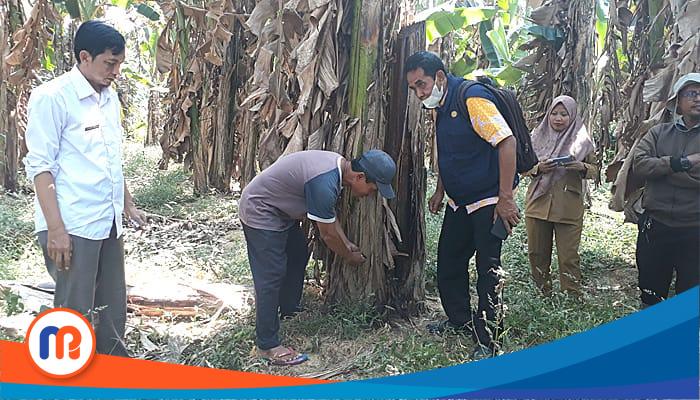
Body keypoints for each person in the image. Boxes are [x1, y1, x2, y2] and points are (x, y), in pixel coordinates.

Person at [23, 20, 146, 356]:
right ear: (84, 57)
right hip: (73, 223)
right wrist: (56, 230)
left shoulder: (108, 98)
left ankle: (112, 373)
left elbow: (108, 158)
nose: (116, 72)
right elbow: (40, 167)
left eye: (120, 64)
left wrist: (127, 202)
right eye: (110, 63)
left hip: (107, 220)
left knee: (112, 308)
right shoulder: (52, 97)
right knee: (73, 309)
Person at [405, 51, 519, 357]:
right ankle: (459, 320)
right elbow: (447, 151)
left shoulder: (472, 99)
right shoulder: (441, 105)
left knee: (488, 270)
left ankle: (489, 339)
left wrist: (506, 199)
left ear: (439, 77)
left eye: (422, 84)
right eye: (414, 88)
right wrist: (441, 190)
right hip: (459, 202)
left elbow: (507, 142)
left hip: (488, 201)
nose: (419, 93)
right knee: (449, 262)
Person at [238, 149, 396, 366]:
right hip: (261, 209)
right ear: (360, 177)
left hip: (281, 212)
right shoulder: (325, 183)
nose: (371, 193)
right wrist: (348, 255)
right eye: (373, 188)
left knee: (298, 254)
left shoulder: (337, 171)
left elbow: (329, 217)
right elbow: (328, 234)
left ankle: (289, 308)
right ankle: (267, 345)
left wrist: (347, 243)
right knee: (270, 275)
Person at [632, 72, 700, 308]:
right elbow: (639, 165)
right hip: (656, 226)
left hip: (693, 229)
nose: (698, 99)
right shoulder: (659, 132)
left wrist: (662, 171)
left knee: (689, 298)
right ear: (678, 101)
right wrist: (681, 163)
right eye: (692, 94)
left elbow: (651, 168)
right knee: (651, 292)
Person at [524, 95, 597, 297]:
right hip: (538, 203)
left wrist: (581, 166)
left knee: (568, 257)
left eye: (564, 114)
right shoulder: (536, 136)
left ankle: (571, 296)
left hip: (568, 206)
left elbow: (596, 170)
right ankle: (542, 295)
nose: (558, 118)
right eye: (554, 113)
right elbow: (522, 167)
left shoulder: (582, 140)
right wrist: (538, 168)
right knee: (537, 254)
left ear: (572, 116)